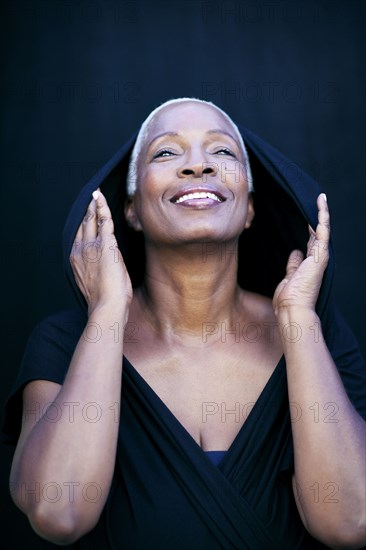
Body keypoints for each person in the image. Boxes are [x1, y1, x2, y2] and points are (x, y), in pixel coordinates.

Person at [3, 98, 366, 549]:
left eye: (223, 152)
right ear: (130, 210)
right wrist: (107, 312)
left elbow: (350, 522)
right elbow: (59, 512)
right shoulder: (63, 342)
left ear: (250, 208)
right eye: (166, 152)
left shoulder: (320, 337)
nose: (199, 166)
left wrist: (298, 322)